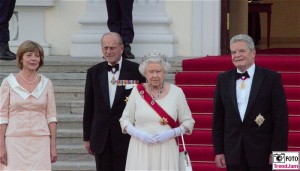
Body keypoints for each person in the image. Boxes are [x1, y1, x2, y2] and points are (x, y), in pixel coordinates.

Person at [212, 34, 288, 171]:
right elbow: (218, 118)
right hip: (233, 152)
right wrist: (219, 151)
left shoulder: (271, 79)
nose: (237, 55)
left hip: (263, 153)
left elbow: (281, 119)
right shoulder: (223, 79)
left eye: (242, 51)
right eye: (233, 52)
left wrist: (278, 152)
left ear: (253, 53)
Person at [119, 51, 195, 170]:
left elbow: (188, 122)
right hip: (140, 148)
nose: (155, 75)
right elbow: (125, 120)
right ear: (145, 73)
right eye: (151, 71)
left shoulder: (177, 92)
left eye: (158, 71)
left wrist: (172, 133)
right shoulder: (136, 92)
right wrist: (138, 134)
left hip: (166, 148)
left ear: (164, 72)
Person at [83, 32, 145, 171]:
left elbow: (143, 104)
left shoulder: (137, 71)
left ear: (122, 48)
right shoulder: (93, 72)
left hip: (126, 136)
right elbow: (89, 106)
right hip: (101, 136)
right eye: (105, 48)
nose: (108, 51)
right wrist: (87, 137)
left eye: (112, 48)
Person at [0, 40, 57, 170]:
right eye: (29, 55)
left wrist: (53, 145)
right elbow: (2, 117)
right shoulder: (8, 83)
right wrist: (1, 146)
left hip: (41, 141)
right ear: (20, 58)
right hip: (14, 141)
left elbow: (51, 117)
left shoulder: (47, 83)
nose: (34, 59)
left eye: (37, 56)